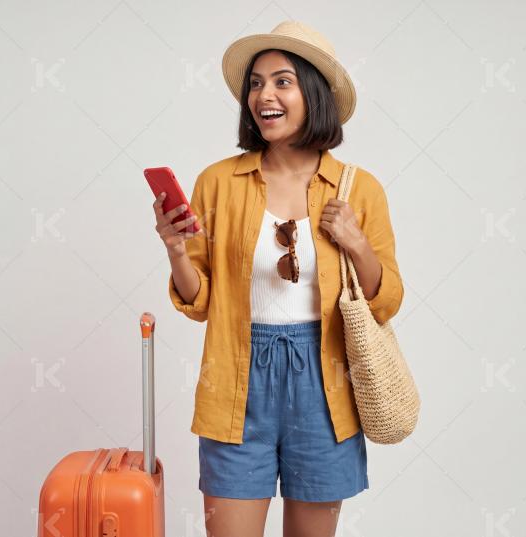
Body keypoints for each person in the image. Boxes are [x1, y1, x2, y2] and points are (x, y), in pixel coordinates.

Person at [152, 20, 404, 537]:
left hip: (325, 382)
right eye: (256, 83)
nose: (264, 94)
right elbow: (199, 301)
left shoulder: (360, 188)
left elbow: (386, 301)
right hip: (235, 379)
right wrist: (176, 250)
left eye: (282, 81)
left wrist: (355, 242)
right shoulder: (218, 181)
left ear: (314, 93)